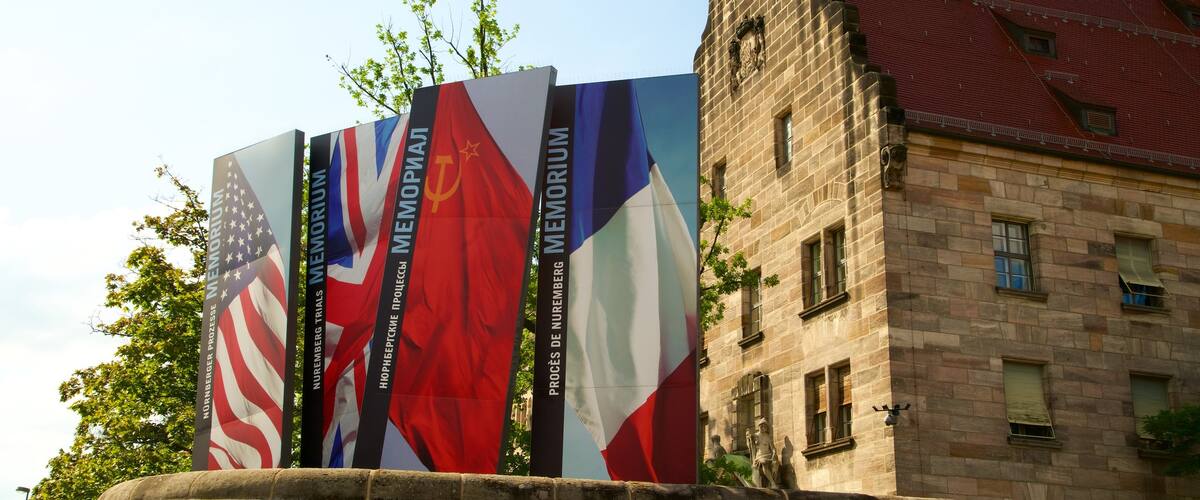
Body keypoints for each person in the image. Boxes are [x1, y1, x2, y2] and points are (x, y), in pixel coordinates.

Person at [746, 418, 779, 488]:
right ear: (759, 427)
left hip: (768, 455)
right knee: (764, 462)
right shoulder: (755, 436)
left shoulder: (768, 437)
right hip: (759, 456)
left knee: (775, 464)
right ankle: (772, 483)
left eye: (764, 426)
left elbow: (773, 448)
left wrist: (774, 453)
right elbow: (750, 445)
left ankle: (772, 482)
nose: (763, 428)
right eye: (761, 426)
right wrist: (749, 438)